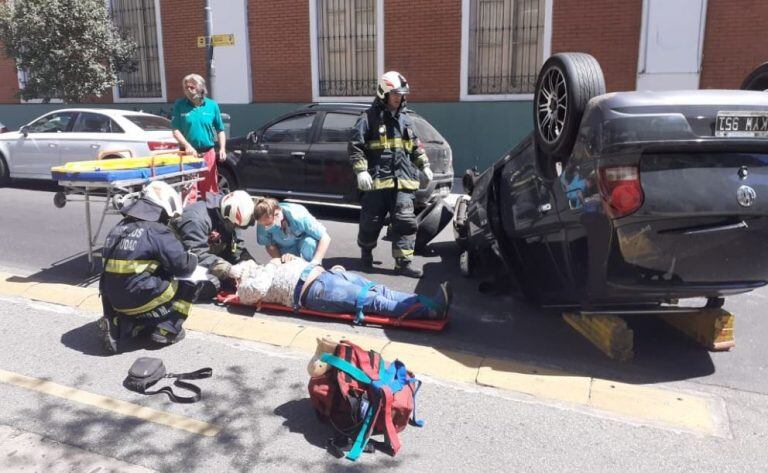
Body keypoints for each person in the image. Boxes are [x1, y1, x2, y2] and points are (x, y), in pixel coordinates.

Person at [98, 181, 200, 354]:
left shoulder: (118, 227)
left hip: (113, 300)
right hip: (139, 297)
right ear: (162, 210)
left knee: (129, 278)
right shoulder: (157, 231)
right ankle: (167, 328)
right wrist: (193, 258)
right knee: (194, 278)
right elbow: (183, 266)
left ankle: (118, 323)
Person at [349, 71, 433, 278]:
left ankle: (403, 264)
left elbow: (414, 146)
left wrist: (425, 165)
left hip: (403, 180)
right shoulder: (367, 119)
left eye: (401, 94)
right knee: (370, 221)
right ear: (383, 93)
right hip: (377, 182)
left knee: (405, 222)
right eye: (395, 93)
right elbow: (355, 147)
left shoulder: (405, 120)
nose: (399, 97)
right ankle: (366, 254)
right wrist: (360, 171)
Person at [233, 258, 451, 321]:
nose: (252, 266)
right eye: (246, 269)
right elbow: (255, 289)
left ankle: (428, 300)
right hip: (313, 290)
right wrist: (273, 264)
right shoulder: (248, 285)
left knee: (380, 290)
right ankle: (431, 311)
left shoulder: (264, 269)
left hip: (325, 275)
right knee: (373, 300)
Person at [174, 190, 256, 300]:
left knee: (234, 279)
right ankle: (171, 288)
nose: (236, 229)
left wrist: (248, 262)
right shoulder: (196, 220)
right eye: (235, 226)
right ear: (228, 220)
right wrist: (228, 269)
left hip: (202, 257)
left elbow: (235, 246)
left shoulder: (227, 215)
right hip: (180, 261)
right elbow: (195, 253)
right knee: (213, 283)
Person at [171, 73, 226, 202]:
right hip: (188, 154)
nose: (188, 90)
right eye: (186, 87)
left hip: (208, 153)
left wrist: (222, 148)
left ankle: (212, 218)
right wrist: (187, 145)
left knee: (211, 190)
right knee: (189, 192)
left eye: (192, 86)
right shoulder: (180, 105)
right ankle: (190, 219)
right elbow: (175, 129)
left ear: (201, 87)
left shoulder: (212, 105)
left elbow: (220, 129)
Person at [254, 197, 331, 265]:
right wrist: (279, 260)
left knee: (310, 243)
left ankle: (309, 266)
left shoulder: (299, 216)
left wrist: (316, 261)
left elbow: (325, 237)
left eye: (270, 224)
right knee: (286, 263)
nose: (267, 227)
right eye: (265, 225)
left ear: (277, 214)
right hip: (285, 248)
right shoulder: (263, 222)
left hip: (303, 243)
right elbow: (269, 244)